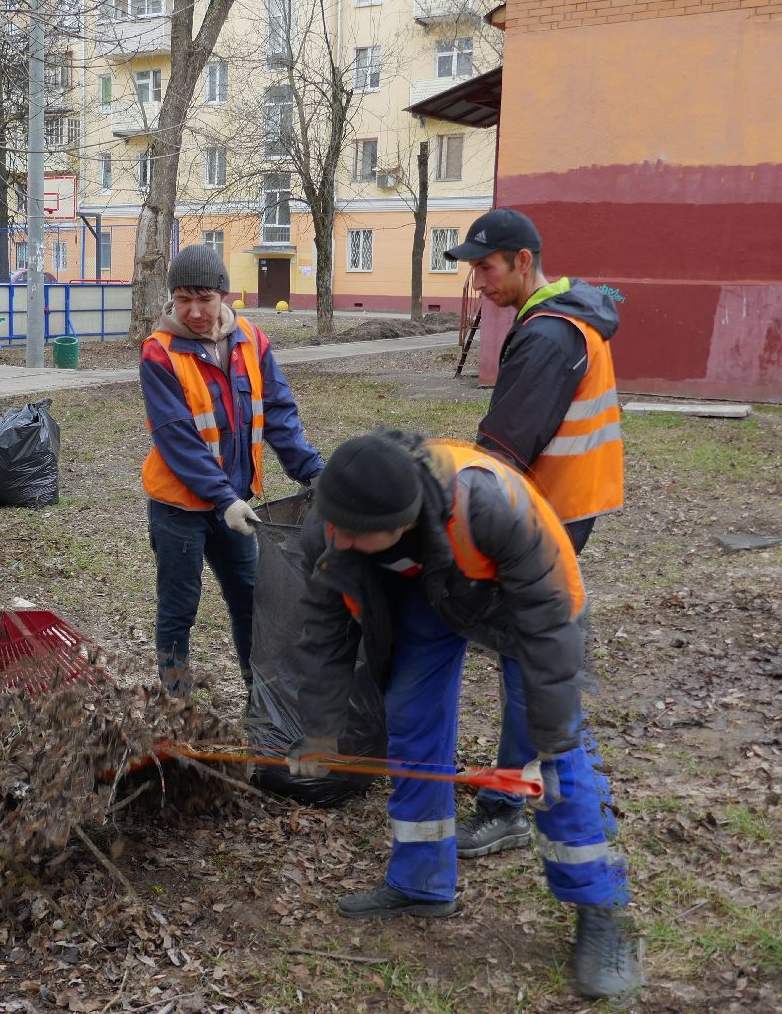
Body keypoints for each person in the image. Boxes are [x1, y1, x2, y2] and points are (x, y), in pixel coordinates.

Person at [287, 430, 640, 999]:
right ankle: (422, 881)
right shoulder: (333, 528)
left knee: (552, 750)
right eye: (337, 527)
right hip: (434, 596)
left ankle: (600, 909)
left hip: (531, 605)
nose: (341, 540)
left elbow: (549, 625)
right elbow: (323, 635)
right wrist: (319, 731)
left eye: (356, 532)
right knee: (411, 715)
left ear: (401, 520)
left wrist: (549, 734)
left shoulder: (489, 504)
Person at [444, 207, 624, 860]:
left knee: (526, 661)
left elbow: (502, 453)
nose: (477, 284)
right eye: (471, 271)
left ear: (524, 262)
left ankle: (507, 805)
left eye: (485, 268)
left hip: (542, 523)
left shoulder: (549, 338)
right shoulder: (567, 318)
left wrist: (452, 512)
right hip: (566, 511)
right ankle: (527, 783)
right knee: (532, 657)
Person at [140, 243, 324, 696]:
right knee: (178, 609)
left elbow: (278, 413)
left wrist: (314, 473)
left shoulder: (252, 341)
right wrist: (223, 497)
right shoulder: (159, 353)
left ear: (223, 294)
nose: (195, 310)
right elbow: (178, 437)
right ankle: (175, 701)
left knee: (251, 603)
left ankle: (260, 698)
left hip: (238, 506)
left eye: (204, 298)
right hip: (180, 507)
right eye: (183, 299)